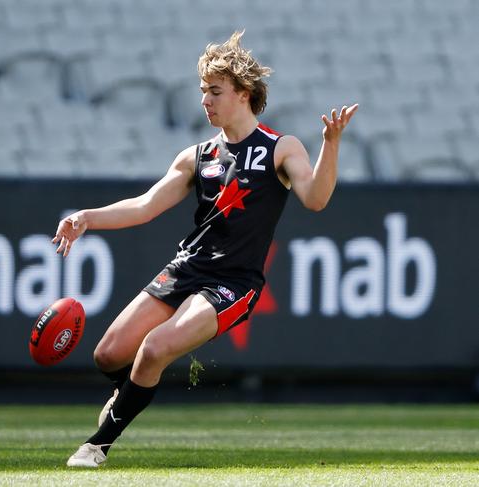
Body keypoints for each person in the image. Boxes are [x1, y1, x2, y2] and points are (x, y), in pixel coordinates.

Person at [53, 31, 358, 468]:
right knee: (109, 354)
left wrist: (331, 144)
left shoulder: (280, 148)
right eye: (202, 91)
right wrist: (87, 217)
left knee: (155, 349)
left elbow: (316, 198)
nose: (205, 101)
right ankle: (127, 393)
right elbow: (144, 205)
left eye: (214, 91)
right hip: (187, 269)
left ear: (243, 93)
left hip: (233, 284)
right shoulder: (197, 155)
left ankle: (98, 444)